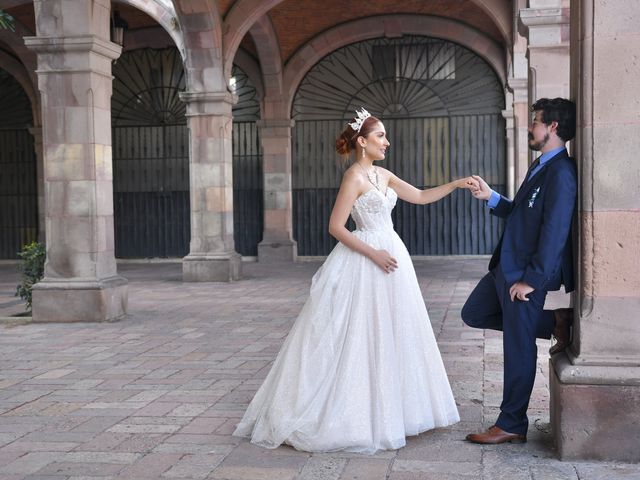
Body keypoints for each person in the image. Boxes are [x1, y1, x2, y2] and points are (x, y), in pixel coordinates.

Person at [233, 108, 475, 453]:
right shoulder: (354, 177)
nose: (387, 142)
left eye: (385, 137)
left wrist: (457, 183)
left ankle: (396, 411)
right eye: (380, 136)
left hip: (393, 255)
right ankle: (354, 412)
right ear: (362, 142)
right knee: (359, 331)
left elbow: (420, 196)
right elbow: (335, 227)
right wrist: (373, 254)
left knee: (395, 329)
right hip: (367, 257)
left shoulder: (384, 175)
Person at [462, 97, 577, 444]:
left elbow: (555, 232)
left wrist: (532, 280)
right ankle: (556, 322)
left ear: (553, 127)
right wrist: (493, 198)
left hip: (523, 276)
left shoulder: (562, 173)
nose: (530, 128)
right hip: (505, 266)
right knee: (474, 312)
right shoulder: (540, 164)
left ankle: (511, 422)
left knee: (518, 346)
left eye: (535, 121)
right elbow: (524, 215)